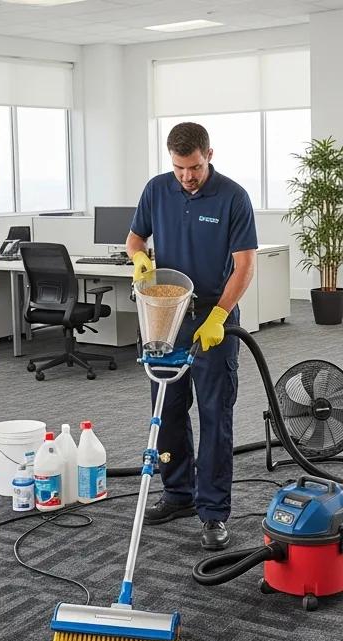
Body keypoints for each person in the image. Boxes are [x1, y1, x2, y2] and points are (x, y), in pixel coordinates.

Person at [126, 121, 257, 551]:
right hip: (167, 315)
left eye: (195, 167)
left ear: (209, 154)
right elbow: (134, 239)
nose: (187, 176)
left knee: (215, 414)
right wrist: (140, 259)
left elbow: (244, 266)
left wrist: (219, 315)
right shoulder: (156, 189)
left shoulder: (234, 197)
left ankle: (214, 512)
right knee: (167, 406)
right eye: (180, 168)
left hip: (213, 320)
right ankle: (178, 492)